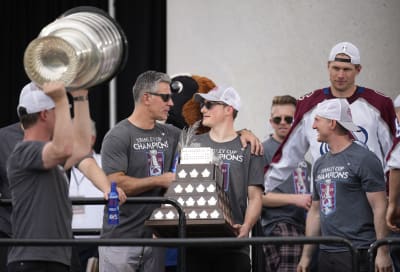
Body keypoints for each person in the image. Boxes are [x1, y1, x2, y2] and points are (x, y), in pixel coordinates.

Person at [265, 41, 397, 192]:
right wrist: (258, 190)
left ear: (358, 69)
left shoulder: (379, 103)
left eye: (347, 69)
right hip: (327, 198)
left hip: (370, 197)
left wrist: (391, 197)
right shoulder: (309, 104)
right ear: (328, 66)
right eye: (336, 68)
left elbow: (394, 153)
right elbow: (287, 156)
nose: (340, 75)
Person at [297, 98, 392, 272]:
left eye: (317, 120)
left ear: (332, 123)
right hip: (326, 252)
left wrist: (383, 252)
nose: (313, 126)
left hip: (358, 250)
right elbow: (316, 211)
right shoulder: (319, 163)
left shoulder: (364, 159)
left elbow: (380, 206)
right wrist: (306, 256)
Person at [6, 81, 92, 271]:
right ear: (45, 114)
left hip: (54, 258)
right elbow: (64, 148)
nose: (64, 117)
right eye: (58, 112)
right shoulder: (23, 152)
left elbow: (83, 146)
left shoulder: (50, 157)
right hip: (32, 259)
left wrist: (80, 97)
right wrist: (62, 99)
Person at [184, 85, 264, 272]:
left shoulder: (250, 146)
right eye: (203, 105)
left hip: (233, 242)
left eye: (209, 105)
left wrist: (246, 227)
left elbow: (255, 196)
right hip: (196, 241)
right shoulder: (193, 143)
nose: (203, 109)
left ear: (229, 109)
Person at [261, 95, 312, 272]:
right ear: (271, 121)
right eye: (277, 119)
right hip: (279, 225)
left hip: (305, 226)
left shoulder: (301, 151)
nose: (283, 123)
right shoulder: (263, 150)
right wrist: (296, 199)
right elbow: (257, 196)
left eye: (289, 119)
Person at [69, 120, 106, 272]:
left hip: (97, 244)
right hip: (68, 244)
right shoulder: (59, 165)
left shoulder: (104, 162)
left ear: (92, 139)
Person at [0, 123, 23, 271]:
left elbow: (83, 157)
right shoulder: (3, 137)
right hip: (9, 230)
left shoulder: (61, 136)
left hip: (51, 235)